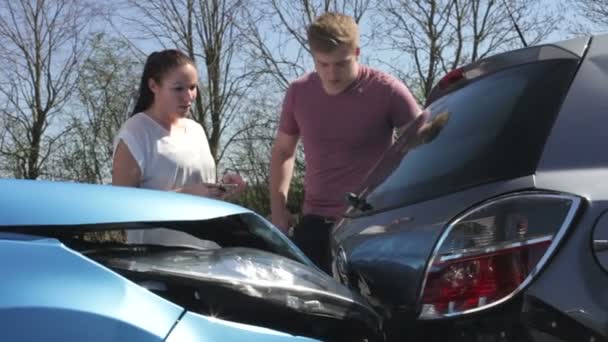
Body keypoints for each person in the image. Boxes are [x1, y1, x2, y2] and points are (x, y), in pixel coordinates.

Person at [269, 12, 421, 273]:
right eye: (322, 64)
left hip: (373, 221)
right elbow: (284, 151)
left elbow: (424, 148)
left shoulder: (388, 90)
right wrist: (278, 209)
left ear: (357, 52)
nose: (331, 74)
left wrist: (409, 207)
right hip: (316, 222)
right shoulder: (299, 92)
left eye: (341, 63)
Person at [112, 49, 245, 244]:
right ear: (153, 85)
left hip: (207, 258)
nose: (189, 96)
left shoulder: (196, 130)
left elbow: (198, 187)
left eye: (193, 87)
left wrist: (221, 187)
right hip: (157, 265)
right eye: (178, 88)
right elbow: (119, 208)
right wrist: (187, 195)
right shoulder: (136, 132)